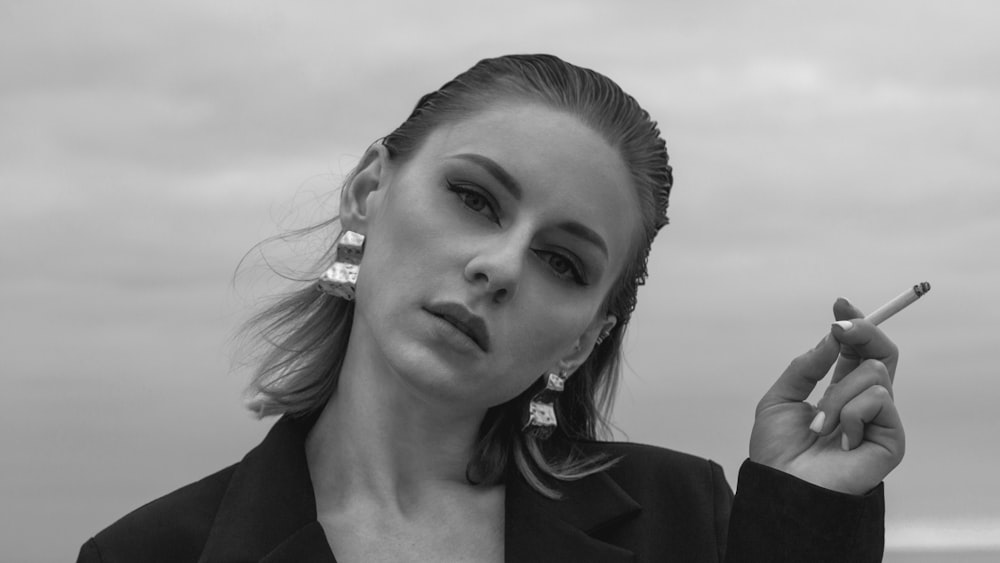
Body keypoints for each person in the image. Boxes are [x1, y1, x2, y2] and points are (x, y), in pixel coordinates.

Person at [77, 54, 903, 562]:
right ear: (369, 190)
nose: (500, 266)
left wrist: (806, 523)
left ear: (584, 337)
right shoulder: (149, 552)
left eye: (561, 261)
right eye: (474, 197)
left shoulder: (682, 518)